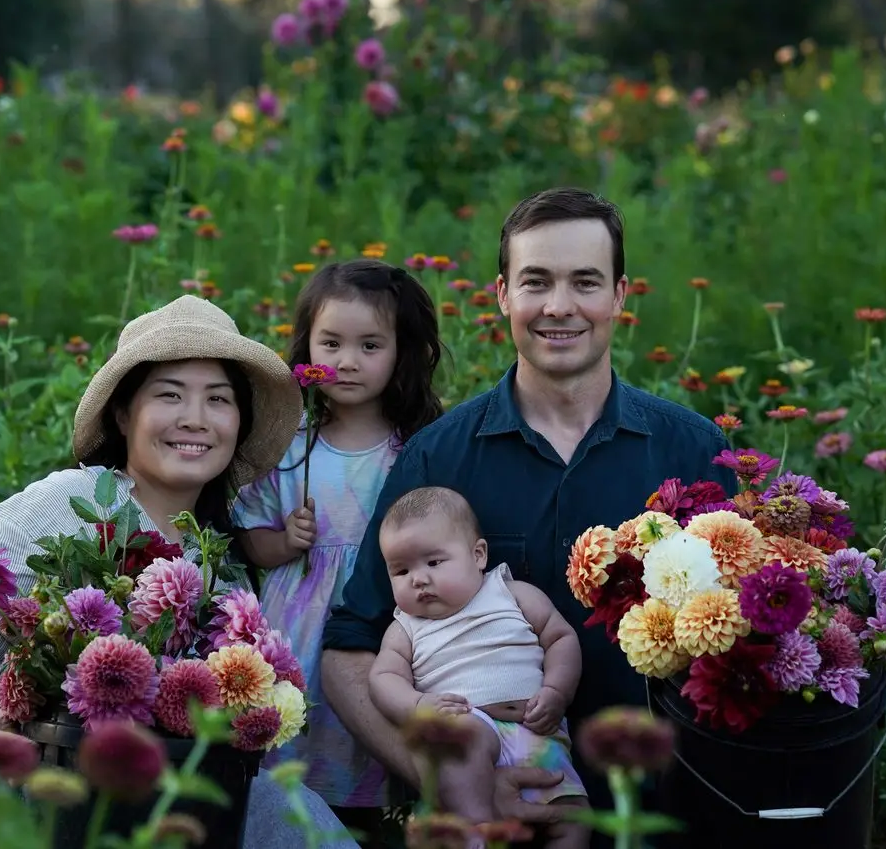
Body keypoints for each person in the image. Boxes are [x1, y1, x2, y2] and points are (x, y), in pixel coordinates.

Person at [320, 188, 737, 840]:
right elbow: (348, 650)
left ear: (620, 295)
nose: (559, 305)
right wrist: (455, 782)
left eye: (585, 282)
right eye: (536, 281)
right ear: (501, 294)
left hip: (666, 813)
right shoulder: (439, 460)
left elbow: (748, 642)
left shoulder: (692, 450)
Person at [0, 295, 361, 849]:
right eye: (170, 395)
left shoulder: (217, 563)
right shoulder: (73, 502)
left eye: (218, 399)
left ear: (239, 421)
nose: (195, 419)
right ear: (123, 413)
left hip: (110, 802)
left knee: (280, 803)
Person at [232, 259, 444, 840]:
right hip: (297, 619)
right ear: (307, 348)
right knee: (297, 724)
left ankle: (373, 822)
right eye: (331, 343)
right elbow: (247, 539)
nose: (347, 361)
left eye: (370, 345)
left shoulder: (414, 450)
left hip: (382, 620)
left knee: (371, 726)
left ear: (401, 353)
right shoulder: (289, 446)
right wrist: (282, 541)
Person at [369, 487, 589, 849]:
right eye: (401, 570)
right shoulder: (405, 626)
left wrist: (556, 691)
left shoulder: (511, 593)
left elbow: (561, 639)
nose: (418, 579)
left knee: (572, 816)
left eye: (434, 562)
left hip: (536, 728)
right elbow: (384, 677)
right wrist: (417, 705)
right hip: (470, 723)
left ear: (478, 554)